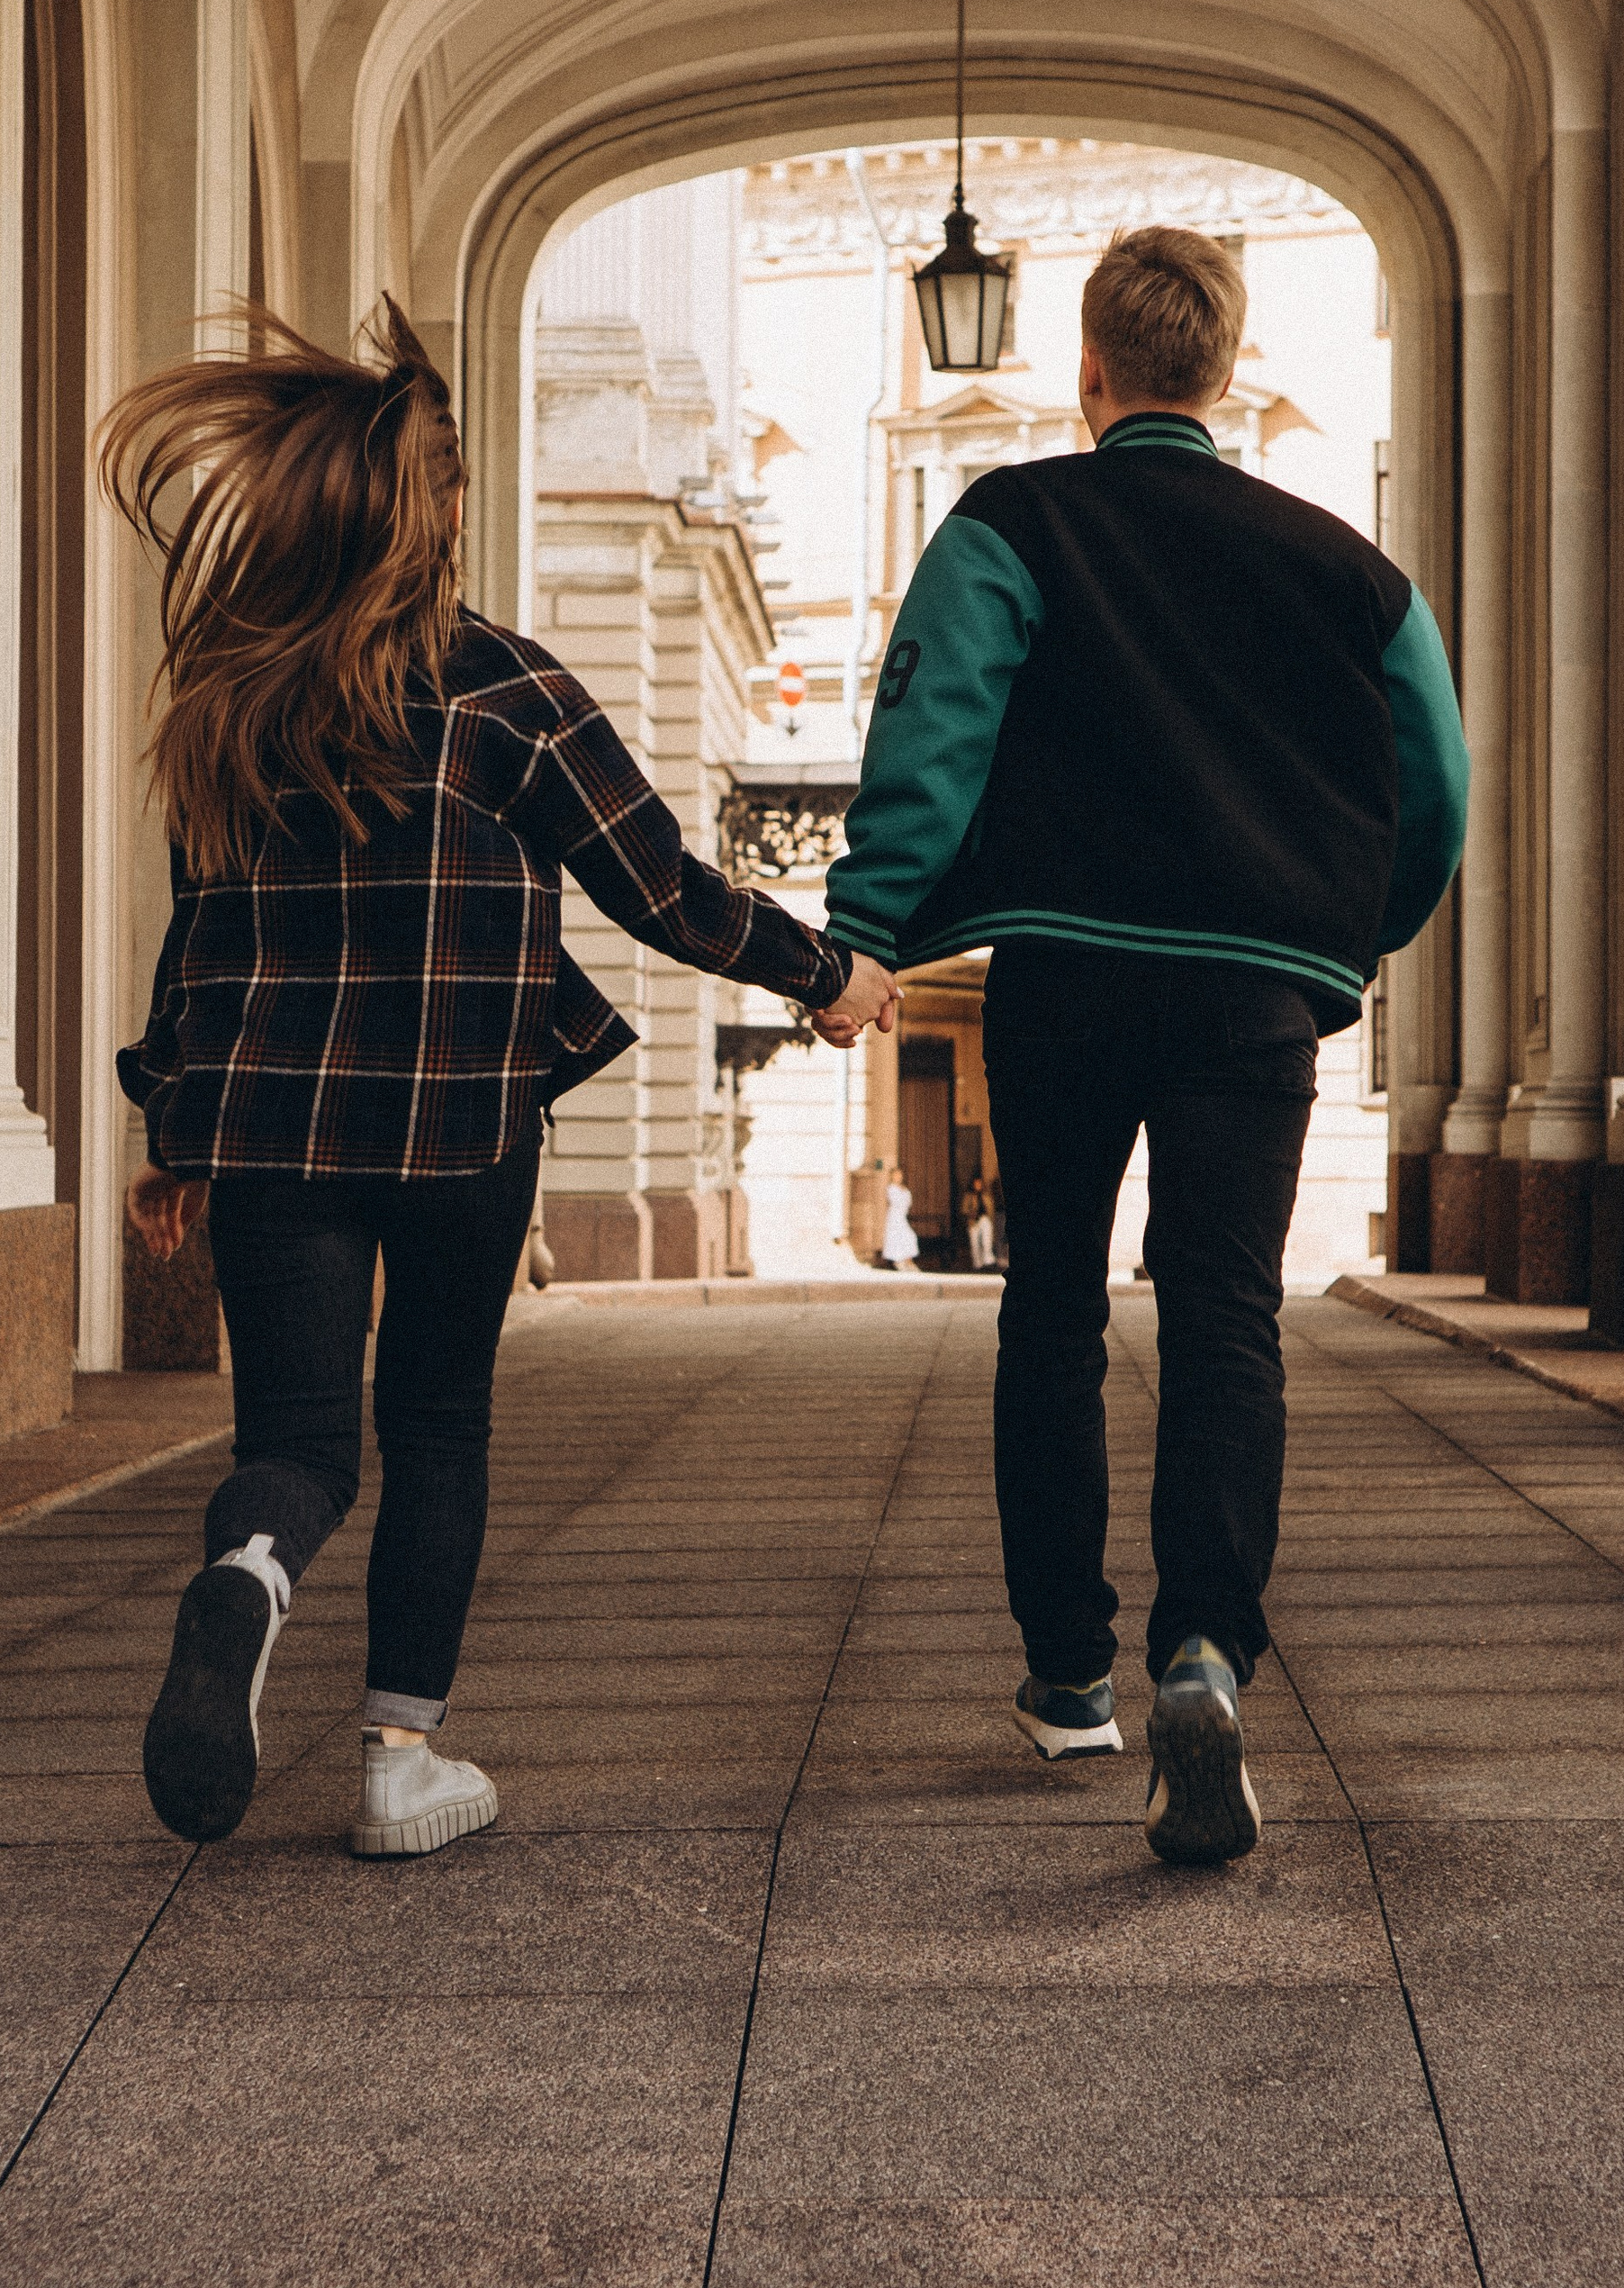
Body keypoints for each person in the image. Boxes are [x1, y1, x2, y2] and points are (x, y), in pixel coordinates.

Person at [106, 303, 898, 1858]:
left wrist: (169, 1119)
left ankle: (250, 1575)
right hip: (461, 1121)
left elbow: (197, 928)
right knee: (441, 1424)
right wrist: (830, 976)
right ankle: (400, 1768)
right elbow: (662, 888)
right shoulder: (509, 692)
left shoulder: (238, 696)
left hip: (268, 1121)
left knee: (299, 1441)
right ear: (442, 506)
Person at [819, 226, 1466, 1866]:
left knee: (1051, 1307)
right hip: (1257, 983)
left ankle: (1065, 1674)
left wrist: (879, 922)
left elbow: (935, 724)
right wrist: (1350, 922)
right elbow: (1436, 782)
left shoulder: (1015, 522)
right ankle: (1205, 1648)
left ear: (1089, 372)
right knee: (1226, 1315)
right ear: (1227, 371)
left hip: (1070, 975)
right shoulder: (1350, 569)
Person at [877, 1162, 921, 1271]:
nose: (899, 1177)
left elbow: (908, 1202)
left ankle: (908, 1261)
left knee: (909, 1237)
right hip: (895, 1217)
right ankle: (899, 1261)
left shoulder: (903, 1189)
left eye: (900, 1175)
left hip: (901, 1216)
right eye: (896, 1175)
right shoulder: (891, 1188)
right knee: (901, 1237)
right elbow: (897, 1202)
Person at [963, 1173, 997, 1273]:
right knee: (975, 1243)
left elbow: (991, 1209)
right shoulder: (969, 1197)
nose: (978, 1185)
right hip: (973, 1221)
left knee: (987, 1240)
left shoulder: (986, 1197)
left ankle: (988, 1261)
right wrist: (971, 1214)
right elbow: (964, 1210)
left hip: (985, 1219)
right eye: (976, 1184)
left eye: (980, 1184)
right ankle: (977, 1264)